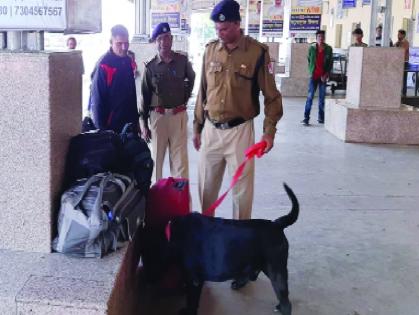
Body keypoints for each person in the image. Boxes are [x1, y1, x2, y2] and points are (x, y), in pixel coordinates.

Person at [194, 0, 282, 227]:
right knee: (206, 188)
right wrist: (197, 127)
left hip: (240, 133)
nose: (220, 33)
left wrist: (269, 133)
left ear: (236, 24)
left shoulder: (256, 53)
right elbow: (202, 91)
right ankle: (206, 237)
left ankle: (241, 238)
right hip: (211, 131)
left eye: (224, 29)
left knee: (242, 193)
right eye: (216, 29)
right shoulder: (211, 50)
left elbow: (272, 97)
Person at [140, 23, 195, 182]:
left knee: (180, 163)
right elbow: (145, 95)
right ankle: (157, 198)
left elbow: (191, 78)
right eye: (159, 39)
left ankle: (180, 199)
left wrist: (184, 97)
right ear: (155, 42)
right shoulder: (150, 67)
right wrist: (143, 123)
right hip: (158, 118)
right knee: (156, 160)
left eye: (166, 38)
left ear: (171, 39)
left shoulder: (182, 61)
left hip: (178, 117)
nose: (163, 42)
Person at [90, 25, 139, 133]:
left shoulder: (128, 61)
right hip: (110, 127)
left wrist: (136, 121)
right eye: (119, 44)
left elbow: (132, 93)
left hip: (129, 124)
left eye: (126, 43)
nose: (124, 47)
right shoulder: (103, 65)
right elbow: (97, 101)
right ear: (111, 42)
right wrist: (101, 132)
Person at [301, 30, 333, 126]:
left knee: (322, 98)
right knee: (310, 97)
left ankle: (321, 118)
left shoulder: (328, 49)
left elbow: (330, 63)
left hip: (323, 77)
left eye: (322, 36)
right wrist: (311, 71)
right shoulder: (312, 48)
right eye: (319, 36)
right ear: (316, 38)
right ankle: (306, 118)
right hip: (314, 76)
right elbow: (309, 59)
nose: (321, 38)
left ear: (324, 37)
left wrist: (326, 74)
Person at [395, 29, 410, 96]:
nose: (398, 35)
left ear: (403, 35)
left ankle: (404, 93)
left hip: (404, 62)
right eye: (398, 34)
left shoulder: (406, 42)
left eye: (399, 34)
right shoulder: (398, 42)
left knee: (404, 78)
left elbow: (403, 50)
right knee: (398, 77)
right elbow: (393, 48)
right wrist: (397, 43)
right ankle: (398, 92)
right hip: (398, 62)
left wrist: (399, 44)